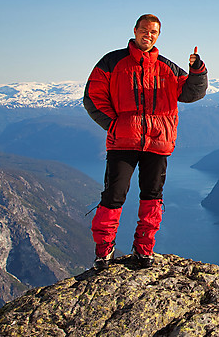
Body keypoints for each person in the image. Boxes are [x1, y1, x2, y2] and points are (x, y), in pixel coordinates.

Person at [83, 14, 207, 269]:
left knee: (152, 196)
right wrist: (115, 125)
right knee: (113, 196)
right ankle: (104, 252)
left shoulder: (167, 67)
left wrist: (197, 70)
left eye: (153, 32)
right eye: (144, 30)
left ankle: (144, 249)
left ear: (157, 35)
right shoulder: (112, 62)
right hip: (123, 142)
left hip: (158, 142)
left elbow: (192, 93)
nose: (148, 35)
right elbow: (93, 97)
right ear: (135, 30)